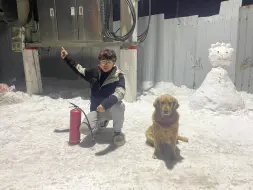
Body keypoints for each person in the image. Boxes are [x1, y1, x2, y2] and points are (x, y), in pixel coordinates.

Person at [61, 47, 126, 146]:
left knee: (119, 106)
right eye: (103, 61)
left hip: (110, 110)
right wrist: (66, 57)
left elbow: (120, 92)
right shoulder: (94, 72)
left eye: (109, 61)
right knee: (84, 129)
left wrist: (105, 104)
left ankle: (117, 133)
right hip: (96, 110)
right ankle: (101, 122)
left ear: (114, 63)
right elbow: (79, 69)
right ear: (99, 62)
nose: (105, 64)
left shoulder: (119, 76)